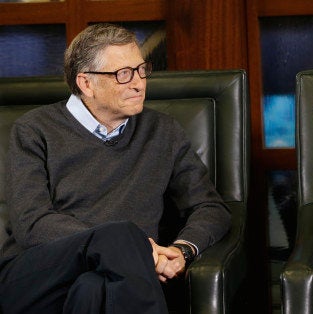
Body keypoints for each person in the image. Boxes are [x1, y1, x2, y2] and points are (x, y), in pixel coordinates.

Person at [0, 23, 231, 313]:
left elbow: (211, 207)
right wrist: (127, 246)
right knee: (120, 237)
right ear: (86, 83)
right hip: (38, 275)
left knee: (93, 288)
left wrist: (182, 250)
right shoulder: (34, 130)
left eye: (141, 69)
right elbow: (31, 223)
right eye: (123, 74)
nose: (139, 83)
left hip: (119, 277)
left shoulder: (163, 131)